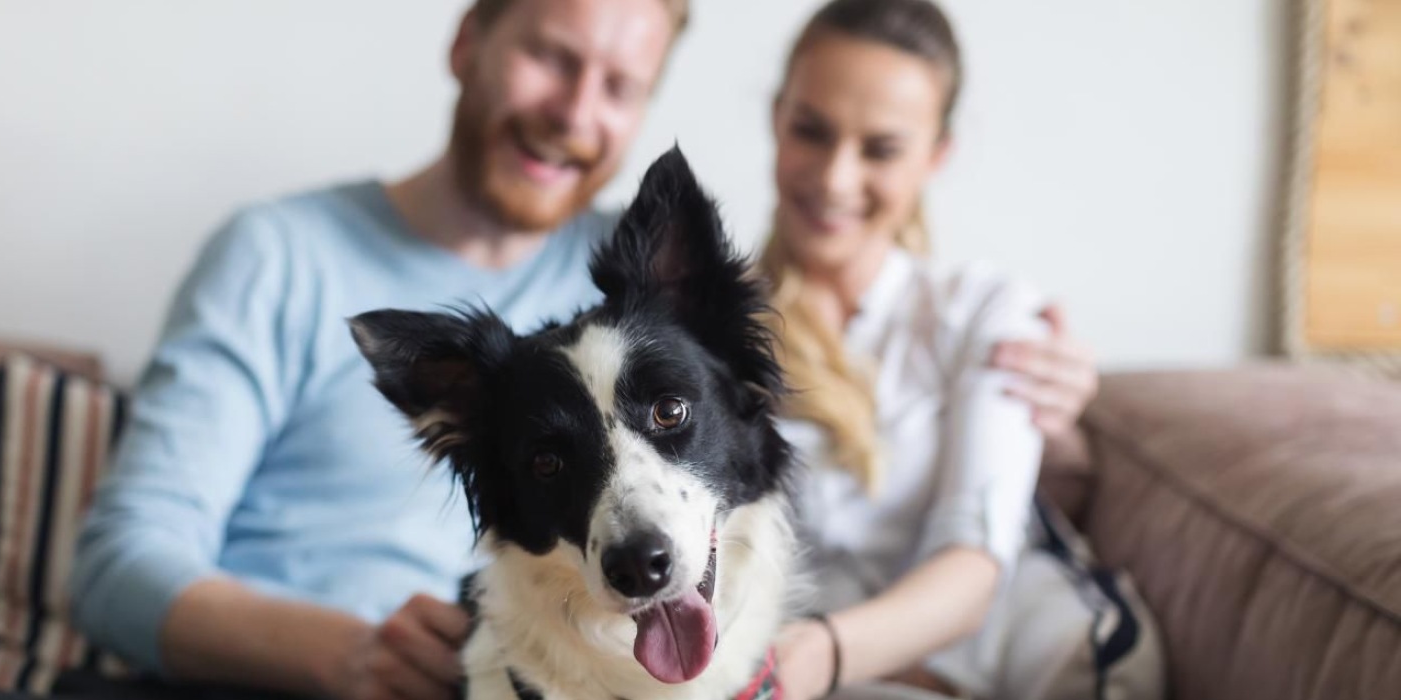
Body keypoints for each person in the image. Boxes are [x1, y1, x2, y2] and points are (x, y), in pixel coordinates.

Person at [68, 1, 1102, 699]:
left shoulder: (634, 296)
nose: (575, 110)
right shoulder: (278, 253)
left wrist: (1061, 420)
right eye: (552, 55)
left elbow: (773, 386)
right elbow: (115, 566)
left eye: (619, 84)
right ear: (469, 36)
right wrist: (345, 653)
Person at [754, 1, 1156, 699]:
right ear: (776, 118)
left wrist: (823, 650)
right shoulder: (699, 326)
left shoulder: (985, 313)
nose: (835, 178)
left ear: (937, 154)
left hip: (967, 656)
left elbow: (972, 565)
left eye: (880, 149)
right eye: (811, 132)